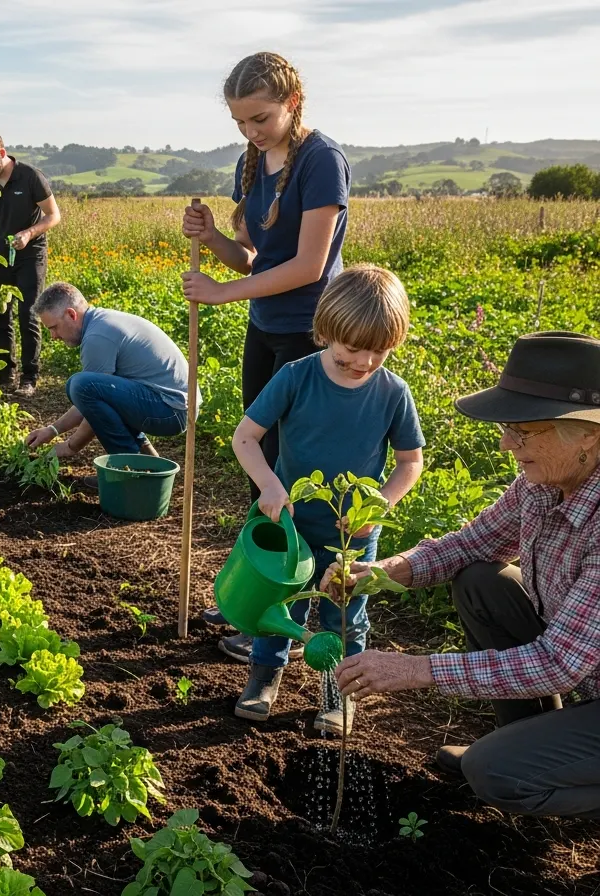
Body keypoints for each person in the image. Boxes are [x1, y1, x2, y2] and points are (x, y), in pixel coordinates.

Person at [332, 331, 600, 816]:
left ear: (586, 432)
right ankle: (527, 741)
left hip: (577, 664)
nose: (505, 444)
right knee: (483, 582)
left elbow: (560, 663)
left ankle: (524, 761)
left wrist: (417, 669)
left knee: (493, 773)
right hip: (587, 668)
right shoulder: (544, 483)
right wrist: (384, 571)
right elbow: (473, 544)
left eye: (522, 430)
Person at [181, 51, 351, 628]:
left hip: (309, 333)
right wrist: (212, 239)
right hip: (265, 330)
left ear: (292, 103)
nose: (251, 133)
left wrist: (224, 293)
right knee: (262, 464)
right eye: (240, 123)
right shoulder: (251, 163)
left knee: (293, 469)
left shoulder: (321, 161)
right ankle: (248, 595)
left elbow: (309, 265)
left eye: (261, 119)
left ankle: (283, 610)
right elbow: (252, 255)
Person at [228, 265, 424, 734]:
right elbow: (246, 438)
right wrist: (271, 486)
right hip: (292, 531)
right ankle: (265, 674)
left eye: (378, 352)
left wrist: (380, 504)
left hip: (351, 535)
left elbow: (410, 462)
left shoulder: (393, 393)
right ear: (324, 333)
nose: (363, 363)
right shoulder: (296, 378)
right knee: (280, 606)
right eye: (350, 353)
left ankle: (340, 692)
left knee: (346, 616)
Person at [24, 282, 193, 474]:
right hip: (174, 405)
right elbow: (96, 404)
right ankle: (148, 466)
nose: (53, 336)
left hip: (171, 410)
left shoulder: (98, 336)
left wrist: (71, 446)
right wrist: (52, 430)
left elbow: (89, 402)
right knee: (87, 387)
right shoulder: (101, 322)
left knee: (80, 385)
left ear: (71, 315)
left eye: (54, 328)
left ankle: (129, 474)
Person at [0, 129, 62, 397]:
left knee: (28, 313)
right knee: (0, 313)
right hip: (2, 253)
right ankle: (6, 374)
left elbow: (53, 216)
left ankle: (29, 378)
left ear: (2, 154)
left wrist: (29, 233)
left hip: (31, 254)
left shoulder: (30, 177)